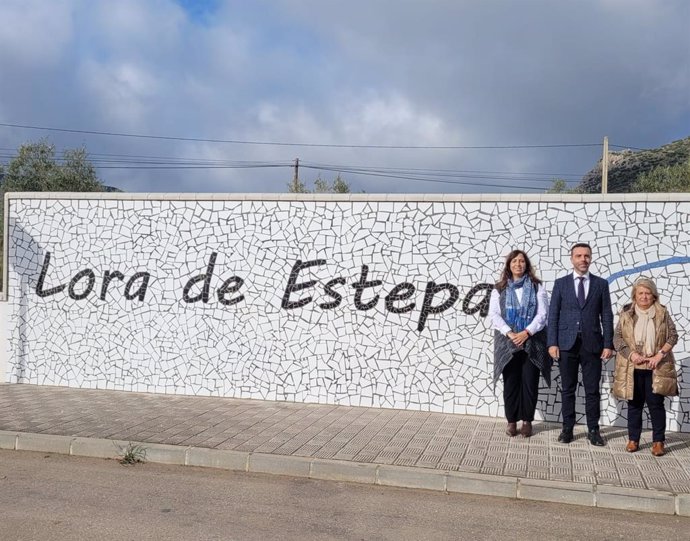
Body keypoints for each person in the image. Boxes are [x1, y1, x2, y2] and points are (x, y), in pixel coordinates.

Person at [547, 243, 614, 446]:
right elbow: (553, 316)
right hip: (566, 344)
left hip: (592, 344)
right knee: (567, 388)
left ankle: (593, 429)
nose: (583, 259)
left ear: (591, 258)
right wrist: (552, 343)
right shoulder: (561, 284)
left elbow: (607, 317)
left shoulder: (601, 284)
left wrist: (608, 343)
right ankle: (567, 428)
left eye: (586, 256)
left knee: (592, 389)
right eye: (579, 256)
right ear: (572, 258)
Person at [612, 277, 678, 456]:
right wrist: (631, 355)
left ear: (653, 295)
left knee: (656, 405)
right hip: (633, 368)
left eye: (648, 293)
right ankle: (633, 439)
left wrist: (659, 355)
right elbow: (617, 339)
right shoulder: (626, 314)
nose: (644, 296)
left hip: (655, 368)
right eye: (640, 293)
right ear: (635, 295)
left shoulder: (662, 313)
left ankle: (658, 442)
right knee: (634, 405)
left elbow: (673, 336)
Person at [489, 249, 551, 438]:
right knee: (511, 382)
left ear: (527, 265)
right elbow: (494, 315)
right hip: (507, 343)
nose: (518, 264)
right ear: (509, 265)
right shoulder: (499, 288)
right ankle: (511, 421)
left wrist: (526, 332)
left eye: (522, 261)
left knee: (529, 382)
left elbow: (543, 314)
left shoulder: (536, 286)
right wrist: (509, 333)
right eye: (514, 261)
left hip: (532, 342)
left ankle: (527, 421)